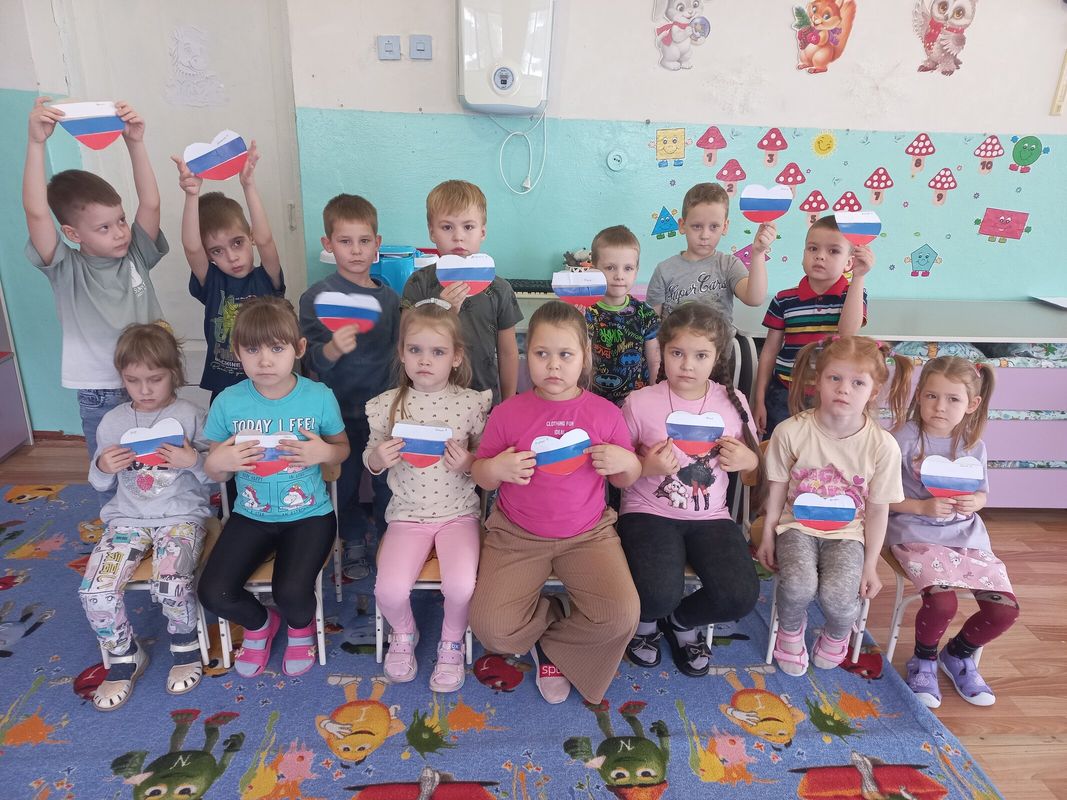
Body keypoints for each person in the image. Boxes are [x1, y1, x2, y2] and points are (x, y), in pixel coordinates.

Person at [468, 300, 641, 705]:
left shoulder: (605, 414)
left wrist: (627, 463)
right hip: (517, 535)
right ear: (527, 355)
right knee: (491, 629)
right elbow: (479, 475)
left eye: (565, 355)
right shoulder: (508, 413)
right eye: (541, 354)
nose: (553, 366)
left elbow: (627, 478)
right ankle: (554, 613)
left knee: (621, 616)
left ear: (584, 357)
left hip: (588, 535)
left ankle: (551, 645)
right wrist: (496, 468)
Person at [23, 97, 167, 508]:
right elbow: (36, 213)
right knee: (112, 471)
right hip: (101, 391)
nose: (120, 232)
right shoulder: (65, 267)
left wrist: (135, 142)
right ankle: (121, 522)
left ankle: (163, 517)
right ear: (72, 233)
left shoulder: (136, 252)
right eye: (104, 227)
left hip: (154, 378)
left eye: (120, 220)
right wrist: (36, 144)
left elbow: (151, 204)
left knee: (158, 465)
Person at [199, 296, 350, 678]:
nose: (265, 361)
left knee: (292, 592)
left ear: (298, 349)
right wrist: (218, 462)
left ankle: (300, 629)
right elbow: (215, 470)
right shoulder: (228, 402)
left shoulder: (318, 397)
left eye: (277, 349)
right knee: (213, 592)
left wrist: (323, 452)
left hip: (310, 516)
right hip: (251, 516)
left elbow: (342, 450)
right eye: (252, 350)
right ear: (237, 352)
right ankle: (261, 624)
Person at [618, 304, 761, 676]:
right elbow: (616, 475)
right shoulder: (639, 402)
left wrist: (748, 460)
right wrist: (646, 467)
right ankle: (647, 620)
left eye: (700, 355)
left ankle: (680, 621)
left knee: (740, 595)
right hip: (648, 512)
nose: (687, 365)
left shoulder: (732, 402)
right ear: (662, 351)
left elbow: (754, 472)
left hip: (711, 517)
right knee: (655, 593)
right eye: (677, 353)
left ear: (717, 357)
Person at [756, 335, 911, 675]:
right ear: (819, 380)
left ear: (873, 391)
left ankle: (839, 633)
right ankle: (790, 630)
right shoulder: (790, 431)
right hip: (796, 526)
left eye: (858, 383)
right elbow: (777, 489)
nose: (844, 389)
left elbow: (878, 509)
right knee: (798, 585)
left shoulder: (882, 445)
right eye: (835, 378)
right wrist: (768, 534)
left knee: (840, 598)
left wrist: (871, 564)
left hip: (848, 534)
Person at [80, 323, 212, 711]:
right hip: (128, 519)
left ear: (175, 372)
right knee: (94, 590)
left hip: (181, 515)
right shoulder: (113, 421)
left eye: (155, 379)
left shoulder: (190, 415)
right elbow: (99, 482)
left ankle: (185, 643)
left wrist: (193, 460)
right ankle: (124, 655)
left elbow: (216, 475)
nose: (145, 390)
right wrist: (103, 465)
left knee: (170, 581)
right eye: (133, 380)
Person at [365, 301, 492, 692]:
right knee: (388, 589)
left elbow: (485, 459)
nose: (425, 360)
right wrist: (377, 458)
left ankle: (452, 641)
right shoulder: (387, 405)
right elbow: (370, 456)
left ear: (456, 357)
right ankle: (404, 633)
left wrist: (469, 462)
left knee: (461, 586)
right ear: (402, 353)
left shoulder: (470, 403)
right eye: (415, 350)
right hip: (407, 515)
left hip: (458, 514)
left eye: (437, 352)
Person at [888, 356, 1016, 708]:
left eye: (952, 399)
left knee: (1004, 610)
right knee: (943, 602)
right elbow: (879, 496)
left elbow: (982, 494)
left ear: (972, 404)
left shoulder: (974, 445)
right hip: (914, 533)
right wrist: (921, 507)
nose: (940, 407)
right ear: (919, 396)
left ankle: (958, 654)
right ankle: (923, 660)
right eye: (931, 396)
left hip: (966, 536)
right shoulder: (901, 439)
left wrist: (975, 502)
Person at [298, 194, 400, 581]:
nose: (356, 250)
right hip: (338, 414)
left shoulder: (390, 299)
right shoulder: (316, 298)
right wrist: (332, 349)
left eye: (364, 241)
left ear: (377, 244)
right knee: (343, 484)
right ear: (328, 244)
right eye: (345, 241)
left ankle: (391, 539)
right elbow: (310, 363)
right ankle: (352, 539)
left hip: (384, 414)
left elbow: (400, 355)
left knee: (388, 482)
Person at [173, 140, 286, 398]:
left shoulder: (266, 278)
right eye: (217, 251)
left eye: (237, 243)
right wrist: (191, 195)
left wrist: (248, 185)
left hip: (270, 382)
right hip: (225, 386)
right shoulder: (212, 281)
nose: (232, 257)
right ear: (208, 255)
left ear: (251, 237)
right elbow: (191, 247)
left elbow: (266, 240)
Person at [401, 179, 522, 405]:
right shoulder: (418, 282)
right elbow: (405, 339)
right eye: (447, 227)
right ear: (432, 232)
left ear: (482, 232)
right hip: (427, 400)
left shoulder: (500, 289)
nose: (458, 236)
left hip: (484, 401)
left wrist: (508, 405)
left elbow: (508, 353)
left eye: (468, 227)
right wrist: (441, 312)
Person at [753, 215, 872, 438]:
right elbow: (769, 351)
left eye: (833, 251)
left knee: (821, 452)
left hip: (829, 397)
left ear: (849, 262)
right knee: (778, 449)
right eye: (813, 248)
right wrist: (758, 399)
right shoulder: (784, 299)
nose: (820, 256)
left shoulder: (853, 295)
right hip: (785, 392)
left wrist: (858, 277)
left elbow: (847, 333)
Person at [645, 182, 774, 325]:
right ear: (682, 225)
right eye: (697, 226)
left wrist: (758, 253)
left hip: (719, 340)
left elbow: (754, 299)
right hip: (674, 339)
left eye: (714, 226)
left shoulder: (729, 265)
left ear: (724, 227)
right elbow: (651, 324)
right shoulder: (664, 270)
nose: (705, 235)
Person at [585, 224, 661, 406]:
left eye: (628, 268)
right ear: (594, 269)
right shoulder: (586, 314)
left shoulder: (646, 315)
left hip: (636, 405)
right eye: (610, 267)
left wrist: (657, 399)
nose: (619, 275)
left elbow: (654, 362)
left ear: (636, 270)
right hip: (594, 403)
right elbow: (582, 363)